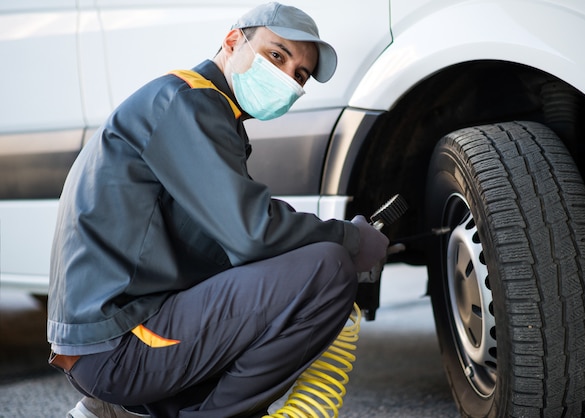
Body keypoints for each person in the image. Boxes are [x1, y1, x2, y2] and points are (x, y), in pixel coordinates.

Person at [47, 2, 389, 417]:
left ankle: (124, 411)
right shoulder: (188, 102)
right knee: (328, 268)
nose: (287, 77)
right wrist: (351, 239)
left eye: (299, 75)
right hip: (120, 344)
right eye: (276, 55)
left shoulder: (199, 108)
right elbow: (252, 233)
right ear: (232, 41)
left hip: (114, 341)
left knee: (290, 278)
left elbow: (230, 248)